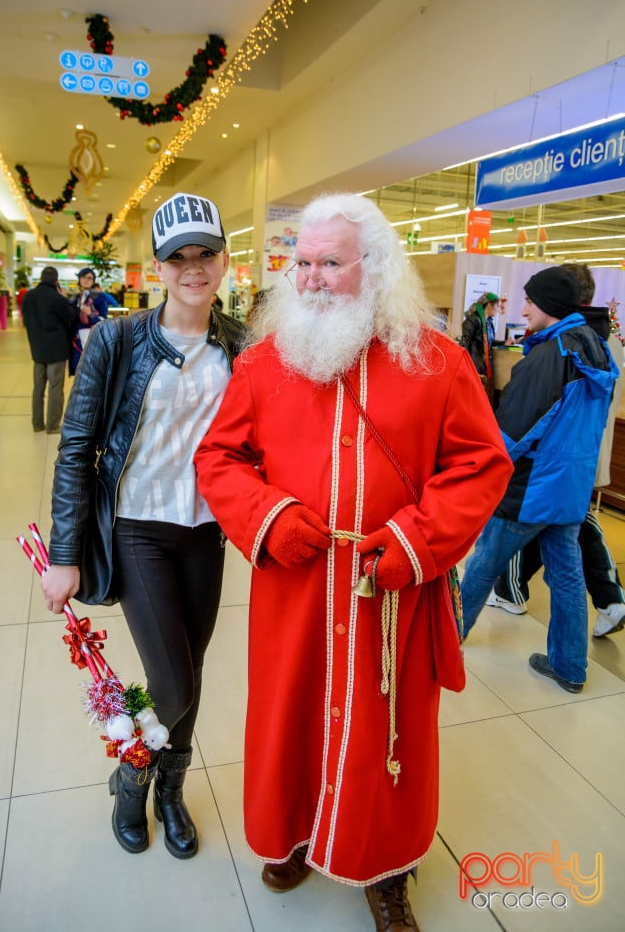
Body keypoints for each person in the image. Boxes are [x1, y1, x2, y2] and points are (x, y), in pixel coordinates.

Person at [195, 193, 512, 932]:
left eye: (328, 263)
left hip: (392, 596)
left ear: (371, 267)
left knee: (388, 731)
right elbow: (219, 457)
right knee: (293, 718)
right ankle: (298, 834)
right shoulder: (265, 361)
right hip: (297, 592)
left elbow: (481, 465)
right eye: (300, 262)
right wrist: (267, 518)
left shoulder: (439, 362)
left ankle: (387, 866)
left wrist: (415, 541)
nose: (309, 278)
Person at [41, 192, 245, 859]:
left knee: (192, 669)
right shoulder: (117, 339)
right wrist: (63, 553)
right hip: (138, 529)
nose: (194, 268)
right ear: (157, 267)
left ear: (223, 259)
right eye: (178, 257)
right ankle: (133, 778)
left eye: (205, 253)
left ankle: (171, 792)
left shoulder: (241, 344)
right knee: (175, 682)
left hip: (206, 533)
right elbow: (77, 445)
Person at [460, 266, 620, 693]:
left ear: (549, 304)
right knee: (567, 576)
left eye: (530, 300)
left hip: (531, 487)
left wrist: (474, 471)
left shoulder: (551, 356)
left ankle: (446, 637)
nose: (524, 307)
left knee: (482, 563)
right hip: (571, 486)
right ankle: (569, 666)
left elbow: (511, 432)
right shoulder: (597, 349)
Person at [488, 263, 625, 638]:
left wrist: (491, 464)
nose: (524, 310)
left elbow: (526, 419)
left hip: (547, 470)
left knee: (492, 556)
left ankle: (501, 598)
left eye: (531, 300)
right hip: (576, 465)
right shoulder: (598, 340)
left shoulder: (562, 347)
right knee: (567, 558)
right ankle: (574, 654)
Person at [21, 265, 77, 433]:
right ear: (56, 281)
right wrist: (65, 298)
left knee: (38, 387)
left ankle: (37, 424)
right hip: (56, 350)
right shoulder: (57, 298)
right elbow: (71, 317)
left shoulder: (29, 297)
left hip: (37, 349)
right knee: (55, 387)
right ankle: (52, 425)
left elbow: (25, 321)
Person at [458, 291, 500, 401]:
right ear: (489, 305)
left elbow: (491, 343)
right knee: (472, 397)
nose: (497, 309)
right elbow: (464, 343)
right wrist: (466, 366)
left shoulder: (489, 323)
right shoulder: (473, 320)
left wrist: (505, 343)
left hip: (485, 366)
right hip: (475, 365)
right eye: (496, 306)